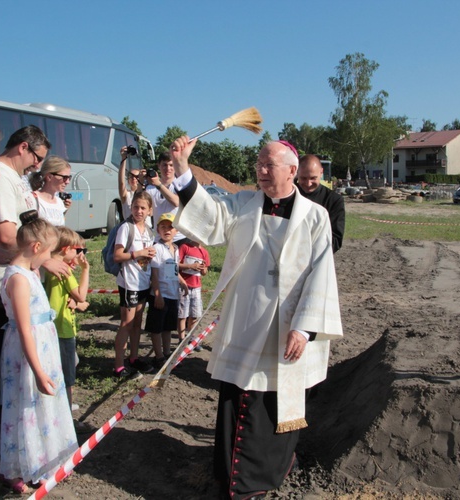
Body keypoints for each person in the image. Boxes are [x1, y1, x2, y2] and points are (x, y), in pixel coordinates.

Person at [169, 136, 343, 499]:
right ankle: (234, 477)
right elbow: (211, 217)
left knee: (277, 400)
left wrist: (304, 328)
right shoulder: (245, 203)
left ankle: (268, 471)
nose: (261, 172)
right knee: (239, 393)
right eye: (259, 165)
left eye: (269, 165)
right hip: (247, 319)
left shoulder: (315, 216)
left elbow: (321, 272)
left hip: (288, 323)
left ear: (292, 171)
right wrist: (184, 169)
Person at [0, 125, 68, 434]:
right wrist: (43, 257)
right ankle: (4, 428)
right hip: (0, 282)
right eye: (38, 157)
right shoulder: (0, 176)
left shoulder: (13, 177)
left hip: (18, 276)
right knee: (4, 360)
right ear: (22, 148)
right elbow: (7, 235)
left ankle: (21, 425)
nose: (38, 166)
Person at [0, 212, 76, 493]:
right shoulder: (18, 279)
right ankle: (18, 465)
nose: (51, 258)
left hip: (45, 347)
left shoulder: (32, 271)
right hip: (27, 353)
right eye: (50, 251)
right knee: (25, 403)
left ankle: (43, 459)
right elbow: (25, 328)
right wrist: (39, 371)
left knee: (42, 405)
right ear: (36, 248)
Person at [44, 226, 89, 414]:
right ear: (66, 249)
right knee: (68, 376)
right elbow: (81, 294)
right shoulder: (64, 270)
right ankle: (66, 414)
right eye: (77, 251)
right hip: (62, 328)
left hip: (50, 327)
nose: (80, 254)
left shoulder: (47, 266)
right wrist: (85, 269)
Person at [112, 190, 155, 378]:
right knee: (126, 323)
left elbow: (149, 259)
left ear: (150, 211)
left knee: (138, 323)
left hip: (143, 282)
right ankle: (119, 366)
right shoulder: (126, 228)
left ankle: (134, 358)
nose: (139, 211)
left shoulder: (150, 231)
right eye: (136, 207)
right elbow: (117, 256)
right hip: (129, 283)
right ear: (131, 207)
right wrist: (138, 254)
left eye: (143, 208)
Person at [145, 212, 187, 368]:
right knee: (156, 328)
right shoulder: (157, 248)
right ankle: (159, 356)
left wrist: (182, 282)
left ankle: (167, 353)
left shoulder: (175, 248)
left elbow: (174, 269)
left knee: (168, 327)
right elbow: (154, 275)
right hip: (160, 295)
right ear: (158, 229)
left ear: (176, 231)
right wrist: (157, 295)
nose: (167, 230)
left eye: (171, 227)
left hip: (173, 295)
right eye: (163, 227)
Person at [296, 154, 346, 253]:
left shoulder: (334, 200)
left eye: (313, 178)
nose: (308, 183)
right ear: (297, 173)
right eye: (303, 178)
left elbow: (335, 241)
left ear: (321, 172)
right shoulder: (289, 195)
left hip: (317, 261)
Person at [177, 239, 210, 349]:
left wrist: (203, 268)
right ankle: (181, 340)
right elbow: (176, 265)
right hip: (183, 286)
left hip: (197, 288)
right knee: (182, 314)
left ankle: (191, 338)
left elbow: (204, 272)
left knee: (194, 315)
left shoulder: (204, 252)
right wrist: (190, 266)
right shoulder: (185, 247)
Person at [144, 151, 182, 239]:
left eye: (171, 165)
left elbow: (176, 202)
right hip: (159, 238)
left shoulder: (180, 185)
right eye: (164, 165)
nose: (168, 168)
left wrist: (159, 185)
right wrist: (140, 184)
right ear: (158, 165)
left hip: (179, 237)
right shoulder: (150, 188)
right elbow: (147, 212)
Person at [30, 155, 72, 226]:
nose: (68, 182)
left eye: (69, 177)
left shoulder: (59, 202)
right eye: (64, 177)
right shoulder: (33, 199)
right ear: (49, 177)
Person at [117, 145, 144, 220]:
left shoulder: (145, 194)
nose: (134, 179)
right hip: (130, 227)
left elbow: (140, 192)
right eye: (131, 176)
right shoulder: (126, 195)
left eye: (137, 177)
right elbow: (121, 183)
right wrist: (123, 159)